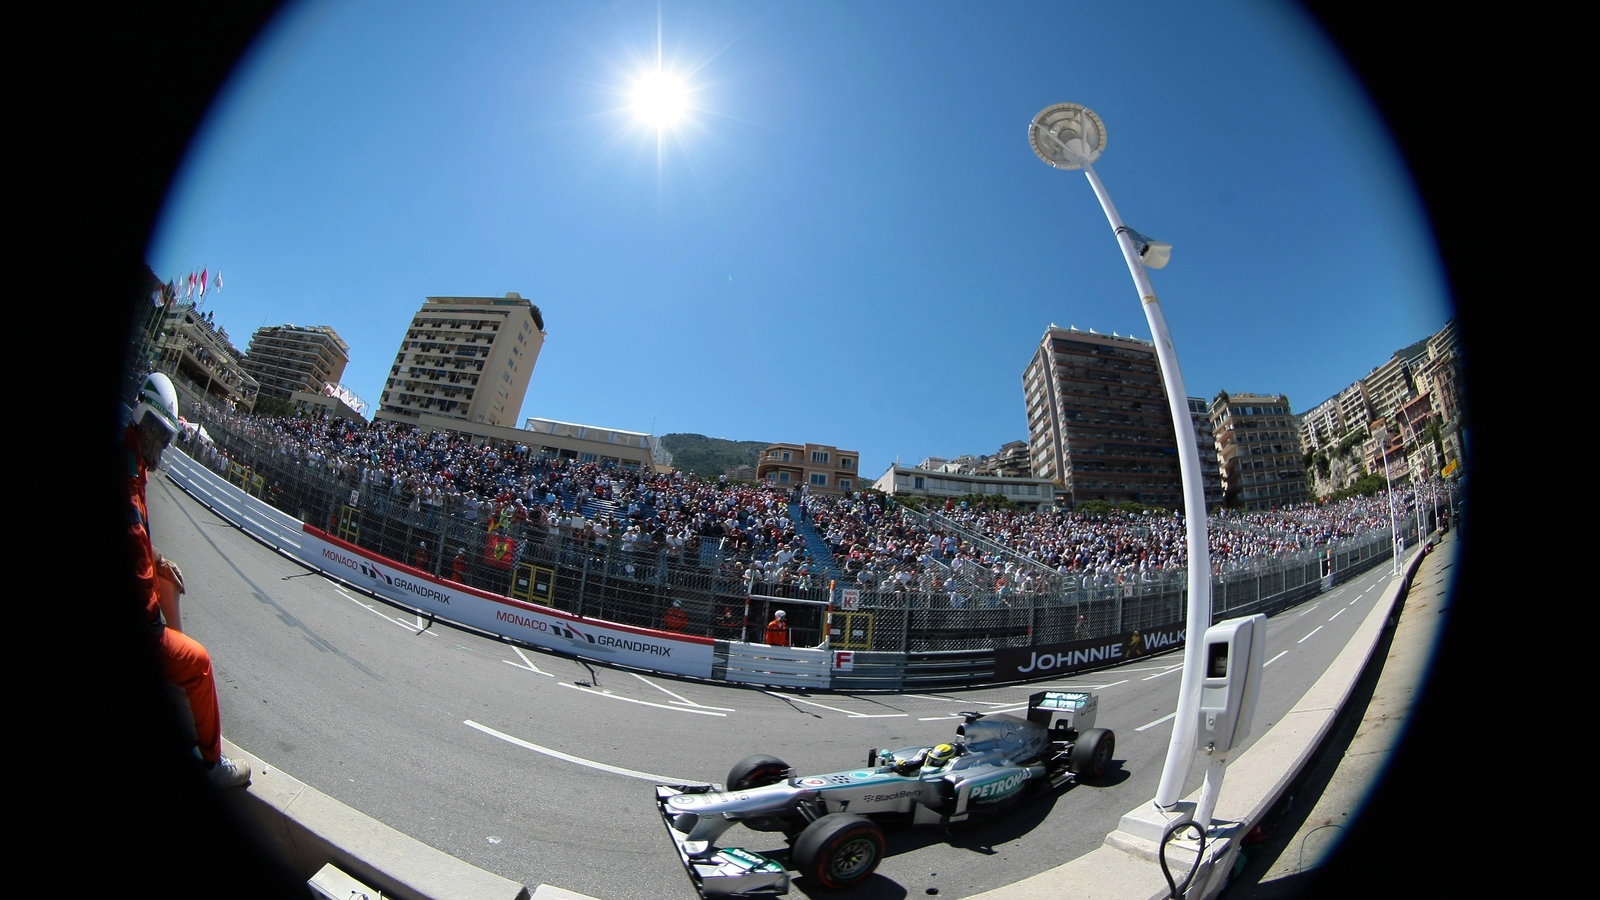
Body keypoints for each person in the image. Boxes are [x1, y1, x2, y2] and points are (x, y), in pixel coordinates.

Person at [126, 372, 251, 789]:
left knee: (170, 579)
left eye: (164, 436)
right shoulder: (130, 482)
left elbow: (142, 546)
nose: (159, 443)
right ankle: (213, 765)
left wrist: (159, 561)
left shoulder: (131, 461)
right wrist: (157, 628)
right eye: (154, 433)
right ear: (141, 420)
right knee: (199, 662)